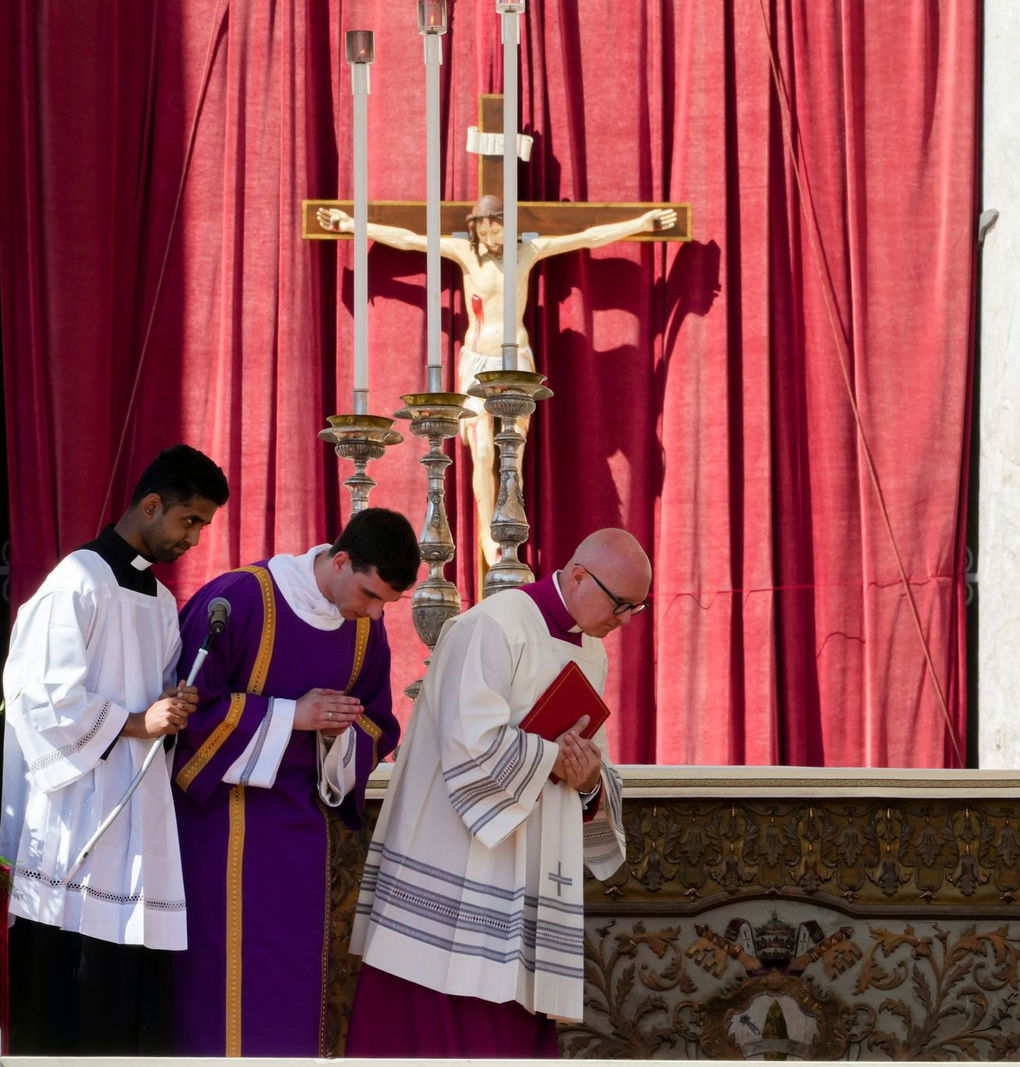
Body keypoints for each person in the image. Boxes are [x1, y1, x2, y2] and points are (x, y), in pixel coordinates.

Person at [343, 527, 646, 1058]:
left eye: (635, 609)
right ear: (578, 575)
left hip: (532, 859)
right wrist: (556, 759)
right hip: (464, 860)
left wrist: (589, 780)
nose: (623, 621)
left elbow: (589, 754)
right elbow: (470, 745)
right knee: (443, 1017)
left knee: (513, 1014)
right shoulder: (491, 625)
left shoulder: (590, 649)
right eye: (621, 604)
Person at [167, 506, 420, 1057]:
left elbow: (376, 722)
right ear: (341, 560)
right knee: (220, 979)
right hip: (219, 830)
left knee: (292, 979)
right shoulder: (239, 599)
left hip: (304, 834)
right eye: (371, 595)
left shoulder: (363, 632)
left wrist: (337, 732)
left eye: (386, 604)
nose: (376, 615)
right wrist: (290, 717)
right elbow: (185, 714)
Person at [1, 444, 229, 1054]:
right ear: (151, 505)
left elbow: (154, 709)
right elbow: (38, 698)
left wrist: (172, 708)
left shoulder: (161, 602)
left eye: (204, 526)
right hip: (77, 815)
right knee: (67, 987)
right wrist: (137, 719)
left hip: (137, 814)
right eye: (190, 521)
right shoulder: (77, 580)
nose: (195, 538)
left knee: (129, 990)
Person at [316, 198, 677, 575]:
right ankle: (489, 533)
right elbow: (409, 239)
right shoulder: (465, 254)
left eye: (495, 229)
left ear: (508, 227)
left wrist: (642, 222)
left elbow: (588, 237)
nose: (489, 238)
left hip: (514, 361)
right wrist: (353, 225)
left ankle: (508, 530)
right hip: (476, 361)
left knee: (512, 452)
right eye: (483, 230)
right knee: (483, 450)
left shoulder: (528, 252)